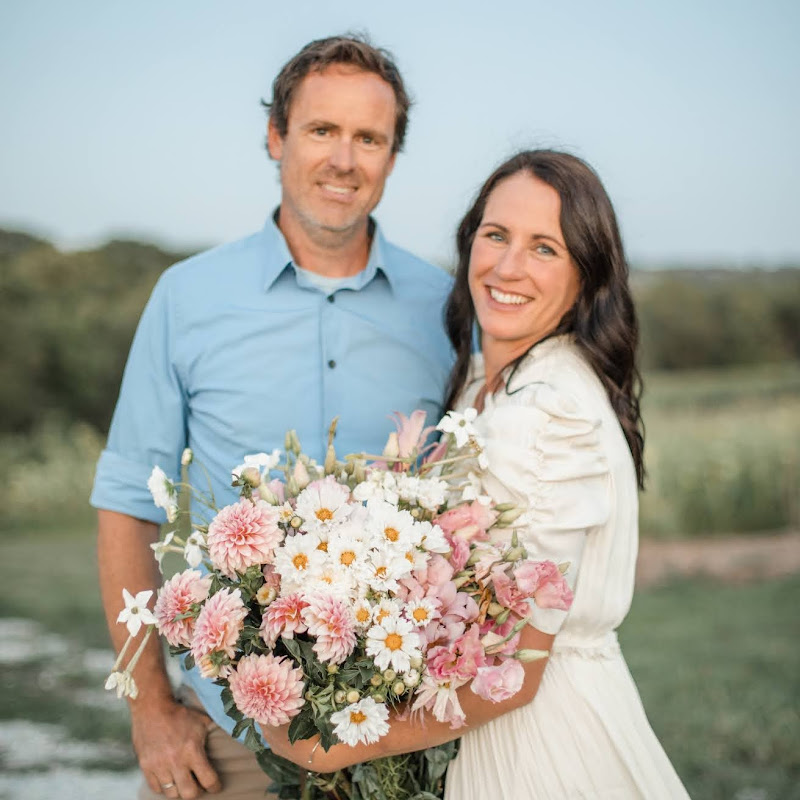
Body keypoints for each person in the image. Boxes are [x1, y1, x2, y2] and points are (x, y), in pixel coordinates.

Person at [261, 150, 691, 799]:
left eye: (545, 248)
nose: (507, 266)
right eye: (495, 235)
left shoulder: (545, 413)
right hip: (479, 731)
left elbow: (522, 665)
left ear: (586, 274)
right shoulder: (488, 382)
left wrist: (345, 741)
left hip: (534, 748)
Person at [91, 35, 453, 800]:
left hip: (411, 730)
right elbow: (127, 502)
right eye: (323, 130)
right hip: (229, 734)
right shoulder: (186, 299)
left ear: (392, 156)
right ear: (275, 137)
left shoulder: (448, 310)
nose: (344, 159)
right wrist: (149, 707)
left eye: (369, 138)